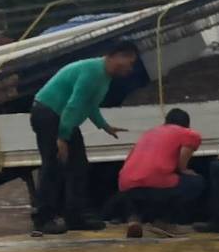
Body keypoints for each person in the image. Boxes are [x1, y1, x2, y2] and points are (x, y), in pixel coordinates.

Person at [30, 40, 138, 234]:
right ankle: (43, 218)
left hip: (63, 117)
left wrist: (104, 126)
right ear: (117, 56)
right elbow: (74, 104)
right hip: (49, 113)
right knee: (53, 164)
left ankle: (75, 216)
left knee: (79, 165)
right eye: (130, 62)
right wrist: (62, 137)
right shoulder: (92, 71)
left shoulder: (104, 76)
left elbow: (89, 104)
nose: (130, 69)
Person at [114, 108, 205, 238]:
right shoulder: (189, 134)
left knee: (139, 187)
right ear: (187, 124)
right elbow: (181, 165)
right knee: (195, 182)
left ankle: (134, 220)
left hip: (126, 183)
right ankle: (164, 222)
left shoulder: (149, 133)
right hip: (156, 183)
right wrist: (186, 170)